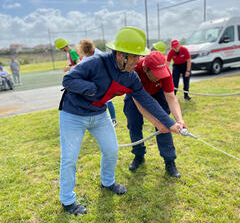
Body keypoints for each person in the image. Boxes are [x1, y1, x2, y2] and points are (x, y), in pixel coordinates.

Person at [59, 26, 182, 216]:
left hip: (99, 113)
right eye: (134, 57)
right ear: (119, 55)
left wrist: (171, 123)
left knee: (111, 149)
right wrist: (90, 88)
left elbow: (147, 100)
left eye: (139, 57)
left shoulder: (132, 77)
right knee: (70, 158)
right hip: (73, 114)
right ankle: (68, 200)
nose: (138, 61)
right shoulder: (95, 63)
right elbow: (68, 80)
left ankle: (107, 182)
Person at [124, 47, 187, 177]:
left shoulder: (165, 72)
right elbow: (139, 103)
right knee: (134, 125)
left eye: (162, 73)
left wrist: (179, 120)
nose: (160, 77)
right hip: (135, 97)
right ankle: (139, 155)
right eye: (156, 74)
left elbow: (171, 97)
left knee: (166, 125)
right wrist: (155, 122)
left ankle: (169, 161)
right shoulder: (134, 71)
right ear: (146, 69)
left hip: (158, 94)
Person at [78, 39, 118, 127]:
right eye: (85, 53)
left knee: (108, 100)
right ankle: (95, 121)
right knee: (95, 101)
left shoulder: (100, 55)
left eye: (87, 52)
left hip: (105, 80)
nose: (87, 54)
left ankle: (113, 120)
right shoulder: (85, 58)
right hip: (93, 82)